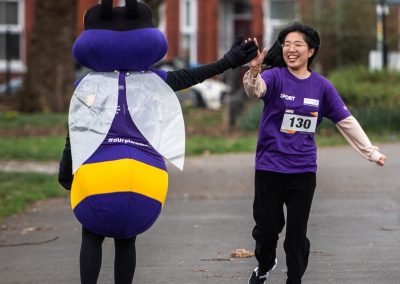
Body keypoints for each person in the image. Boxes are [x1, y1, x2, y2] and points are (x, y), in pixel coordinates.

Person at [58, 1, 257, 283]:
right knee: (127, 237)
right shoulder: (154, 80)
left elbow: (76, 131)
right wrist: (228, 61)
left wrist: (66, 170)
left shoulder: (87, 85)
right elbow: (191, 76)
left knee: (92, 233)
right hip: (144, 177)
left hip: (97, 174)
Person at [243, 22, 386, 284]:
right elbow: (255, 90)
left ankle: (294, 278)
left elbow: (346, 121)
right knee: (266, 230)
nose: (290, 49)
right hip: (269, 168)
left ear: (311, 51)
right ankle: (265, 264)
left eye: (298, 44)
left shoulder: (321, 87)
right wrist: (254, 70)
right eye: (286, 44)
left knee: (296, 235)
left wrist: (371, 152)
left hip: (303, 171)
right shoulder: (274, 77)